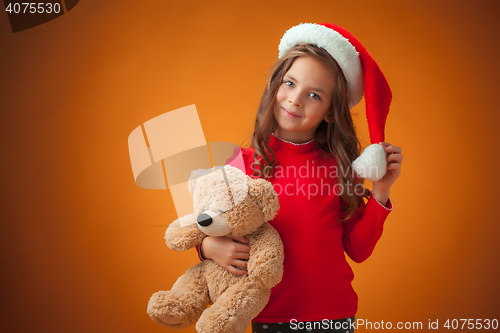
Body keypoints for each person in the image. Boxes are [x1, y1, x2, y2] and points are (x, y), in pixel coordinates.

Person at [198, 23, 403, 333]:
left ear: (331, 112)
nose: (295, 99)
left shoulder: (341, 168)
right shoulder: (240, 164)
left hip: (334, 316)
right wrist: (208, 247)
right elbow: (208, 223)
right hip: (268, 316)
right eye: (290, 83)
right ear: (275, 84)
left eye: (314, 95)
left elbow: (357, 250)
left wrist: (381, 192)